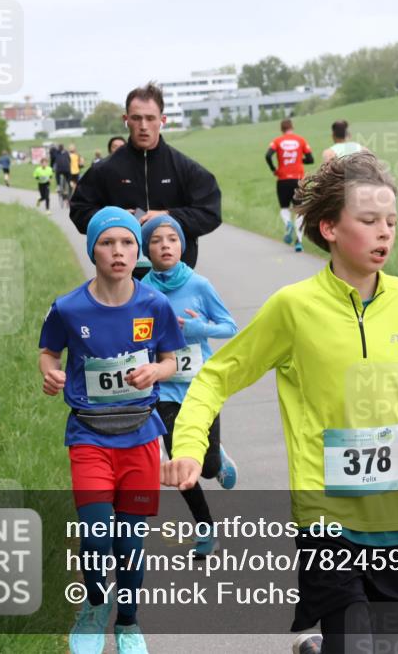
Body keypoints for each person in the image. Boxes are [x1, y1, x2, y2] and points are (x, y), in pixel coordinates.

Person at [161, 151, 398, 654]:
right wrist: (189, 446)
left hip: (394, 504)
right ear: (330, 228)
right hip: (325, 507)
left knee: (382, 646)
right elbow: (214, 377)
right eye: (368, 221)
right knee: (354, 644)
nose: (385, 232)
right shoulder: (293, 308)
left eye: (391, 221)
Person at [39, 207, 184, 654]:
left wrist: (155, 373)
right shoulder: (68, 307)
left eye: (126, 243)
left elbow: (171, 359)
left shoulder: (155, 305)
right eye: (107, 243)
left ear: (136, 251)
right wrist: (51, 373)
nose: (118, 252)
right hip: (89, 438)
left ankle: (128, 621)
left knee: (130, 541)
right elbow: (49, 352)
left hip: (141, 437)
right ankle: (94, 608)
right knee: (98, 534)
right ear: (93, 250)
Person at [140, 215, 239, 557]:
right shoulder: (142, 291)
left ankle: (218, 458)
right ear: (146, 249)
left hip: (201, 385)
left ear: (182, 246)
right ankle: (205, 529)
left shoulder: (200, 285)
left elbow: (230, 327)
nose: (165, 245)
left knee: (208, 467)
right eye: (156, 240)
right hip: (165, 388)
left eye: (172, 239)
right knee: (180, 461)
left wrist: (198, 330)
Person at [70, 83, 222, 280]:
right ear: (126, 120)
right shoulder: (104, 170)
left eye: (150, 118)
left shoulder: (185, 168)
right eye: (136, 118)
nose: (143, 126)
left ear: (162, 120)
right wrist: (113, 220)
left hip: (175, 279)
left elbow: (210, 212)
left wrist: (169, 216)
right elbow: (79, 210)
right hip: (122, 279)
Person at [266, 118, 314, 252]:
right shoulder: (301, 140)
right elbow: (311, 159)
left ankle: (288, 223)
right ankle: (298, 242)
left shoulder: (277, 141)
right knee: (299, 211)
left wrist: (273, 169)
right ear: (292, 127)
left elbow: (268, 155)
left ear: (282, 129)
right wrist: (299, 160)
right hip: (298, 179)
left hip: (282, 179)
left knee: (284, 208)